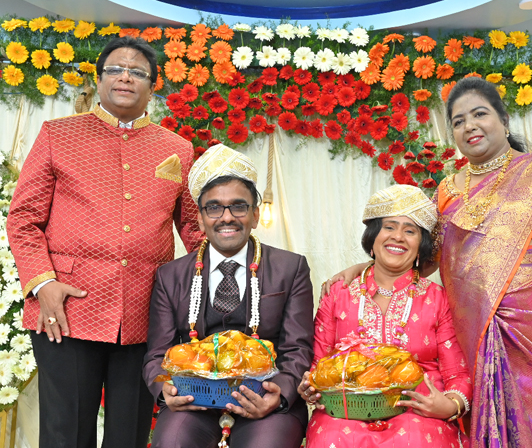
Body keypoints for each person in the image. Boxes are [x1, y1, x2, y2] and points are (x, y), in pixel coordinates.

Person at [326, 77, 532, 447]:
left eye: (479, 114)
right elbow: (427, 259)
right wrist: (363, 270)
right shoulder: (448, 190)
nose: (469, 125)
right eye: (458, 121)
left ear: (504, 120)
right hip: (472, 334)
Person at [6, 36, 204, 448]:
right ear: (98, 80)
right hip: (66, 308)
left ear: (154, 86)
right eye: (115, 69)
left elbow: (192, 227)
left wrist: (239, 267)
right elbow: (24, 218)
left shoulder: (178, 149)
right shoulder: (58, 134)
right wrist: (43, 284)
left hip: (145, 311)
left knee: (130, 433)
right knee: (66, 432)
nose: (125, 77)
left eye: (137, 72)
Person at [143, 143, 314, 448]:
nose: (226, 217)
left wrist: (277, 394)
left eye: (238, 206)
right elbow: (157, 354)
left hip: (264, 397)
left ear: (255, 214)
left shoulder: (291, 268)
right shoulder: (171, 276)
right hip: (194, 400)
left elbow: (297, 349)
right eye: (214, 207)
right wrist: (165, 388)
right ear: (200, 218)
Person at [298, 184, 472, 447]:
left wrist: (450, 405)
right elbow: (319, 365)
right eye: (389, 227)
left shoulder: (438, 298)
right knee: (331, 438)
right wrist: (311, 388)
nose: (398, 237)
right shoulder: (338, 293)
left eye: (410, 231)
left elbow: (458, 373)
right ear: (373, 237)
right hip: (346, 409)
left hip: (419, 410)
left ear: (420, 245)